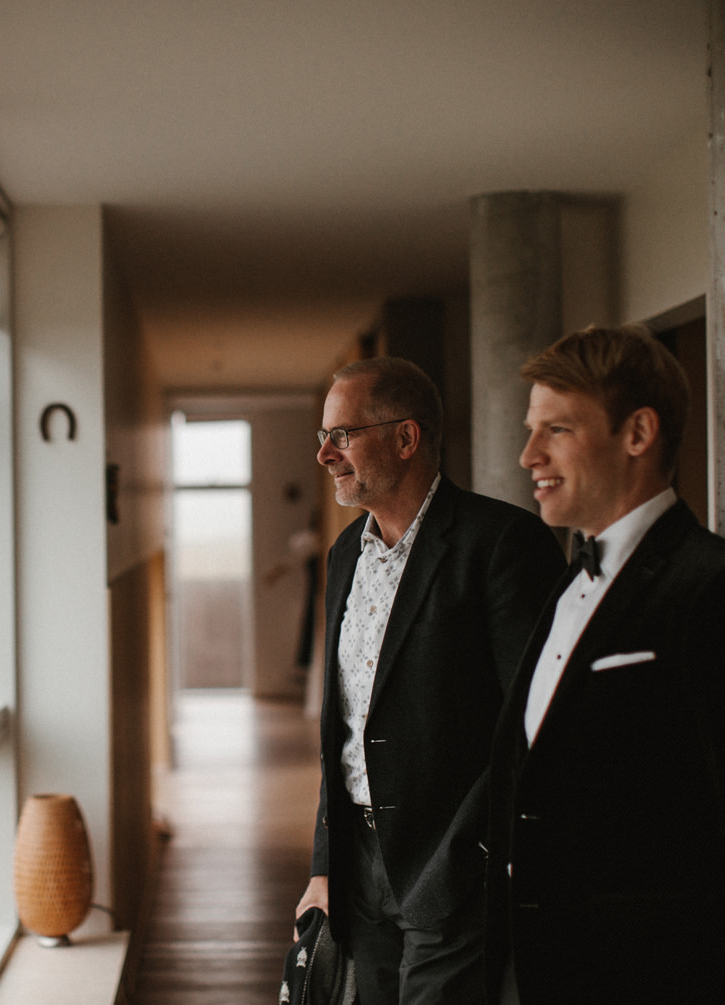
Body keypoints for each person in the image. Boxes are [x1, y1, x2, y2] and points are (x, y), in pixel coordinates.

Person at [486, 325, 725, 1004]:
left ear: (638, 433)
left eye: (557, 429)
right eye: (531, 430)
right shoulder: (569, 580)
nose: (528, 455)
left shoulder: (721, 591)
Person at [295, 357, 563, 1004]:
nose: (325, 454)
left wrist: (464, 860)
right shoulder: (344, 556)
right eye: (324, 436)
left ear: (406, 438)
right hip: (358, 871)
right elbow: (344, 726)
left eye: (342, 435)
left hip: (452, 870)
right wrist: (326, 863)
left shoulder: (501, 544)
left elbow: (532, 726)